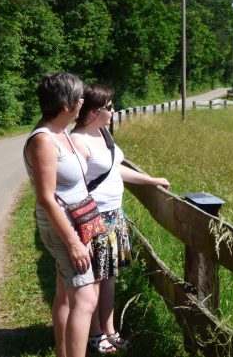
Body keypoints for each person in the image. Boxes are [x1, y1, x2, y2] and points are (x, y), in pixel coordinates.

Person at [71, 83, 170, 353]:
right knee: (92, 280)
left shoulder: (103, 134)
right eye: (109, 107)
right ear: (93, 111)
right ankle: (94, 335)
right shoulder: (78, 141)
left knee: (109, 277)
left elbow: (116, 171)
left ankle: (110, 330)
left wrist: (150, 180)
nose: (114, 111)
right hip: (94, 218)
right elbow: (73, 187)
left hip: (115, 215)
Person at [23, 73, 99, 357]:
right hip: (63, 228)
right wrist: (73, 242)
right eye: (79, 97)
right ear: (66, 103)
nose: (82, 101)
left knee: (67, 294)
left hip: (76, 224)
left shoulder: (61, 132)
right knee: (86, 298)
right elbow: (46, 197)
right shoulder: (43, 140)